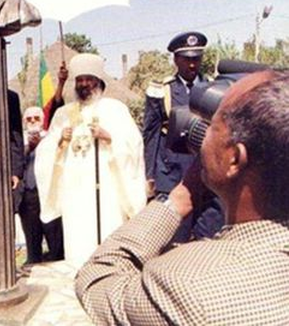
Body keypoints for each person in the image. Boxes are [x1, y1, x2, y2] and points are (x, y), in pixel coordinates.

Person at [76, 70, 289, 325]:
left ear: (233, 159)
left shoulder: (186, 286)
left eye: (211, 125)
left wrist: (177, 200)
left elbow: (97, 278)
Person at [34, 53, 145, 269]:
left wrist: (109, 137)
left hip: (108, 191)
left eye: (89, 79)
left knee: (108, 238)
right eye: (80, 80)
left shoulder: (115, 109)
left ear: (99, 82)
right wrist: (59, 141)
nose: (84, 84)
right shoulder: (63, 114)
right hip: (74, 192)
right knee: (78, 247)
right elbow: (44, 152)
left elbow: (134, 145)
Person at [143, 31, 223, 239]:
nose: (192, 64)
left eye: (196, 59)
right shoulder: (162, 89)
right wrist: (150, 174)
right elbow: (151, 133)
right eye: (187, 59)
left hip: (205, 170)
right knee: (175, 236)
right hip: (172, 171)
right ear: (176, 59)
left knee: (209, 235)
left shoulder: (214, 88)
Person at [18, 106, 63, 264]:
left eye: (36, 118)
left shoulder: (51, 138)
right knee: (32, 242)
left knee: (55, 241)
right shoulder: (19, 141)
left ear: (43, 121)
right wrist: (28, 148)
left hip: (49, 194)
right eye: (29, 119)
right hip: (29, 196)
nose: (32, 121)